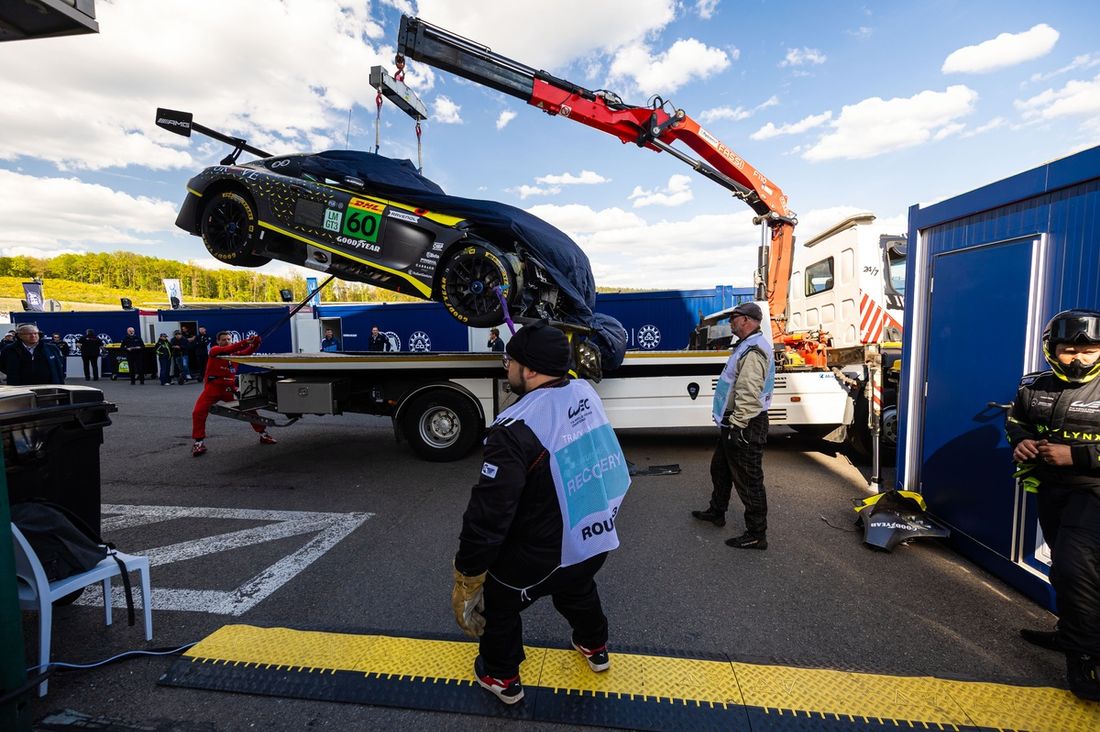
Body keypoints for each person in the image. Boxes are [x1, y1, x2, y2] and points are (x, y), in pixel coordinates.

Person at [451, 320, 631, 705]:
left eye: (509, 361)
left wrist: (468, 573)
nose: (506, 367)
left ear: (529, 370)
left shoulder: (514, 428)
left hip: (540, 554)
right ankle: (594, 645)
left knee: (497, 601)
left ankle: (501, 676)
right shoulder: (585, 391)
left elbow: (489, 513)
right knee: (578, 586)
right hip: (593, 537)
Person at [1007, 309, 1100, 701]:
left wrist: (1076, 457)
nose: (1078, 358)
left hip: (1093, 493)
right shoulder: (1033, 384)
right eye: (1068, 350)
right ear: (1052, 350)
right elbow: (1017, 421)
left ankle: (1086, 658)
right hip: (1051, 490)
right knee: (1063, 569)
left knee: (1076, 569)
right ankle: (1069, 633)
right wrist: (1021, 441)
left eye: (1090, 350)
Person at [692, 301, 775, 550]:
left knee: (749, 479)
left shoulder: (753, 351)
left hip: (745, 423)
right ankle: (717, 511)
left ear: (747, 321)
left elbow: (748, 393)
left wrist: (738, 426)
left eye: (734, 317)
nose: (730, 321)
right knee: (721, 469)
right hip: (736, 422)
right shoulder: (746, 346)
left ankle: (757, 534)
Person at [191, 331, 277, 456]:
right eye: (223, 339)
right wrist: (245, 342)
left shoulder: (234, 354)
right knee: (198, 412)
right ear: (218, 342)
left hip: (229, 389)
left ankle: (263, 434)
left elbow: (248, 352)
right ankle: (198, 442)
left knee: (250, 409)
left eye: (228, 339)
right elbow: (231, 348)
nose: (227, 341)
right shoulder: (214, 351)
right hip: (212, 389)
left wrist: (256, 342)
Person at [0, 324, 65, 385]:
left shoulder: (51, 348)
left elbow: (58, 366)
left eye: (35, 333)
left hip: (49, 388)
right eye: (28, 334)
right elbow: (3, 366)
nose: (33, 336)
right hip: (20, 389)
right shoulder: (9, 350)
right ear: (19, 336)